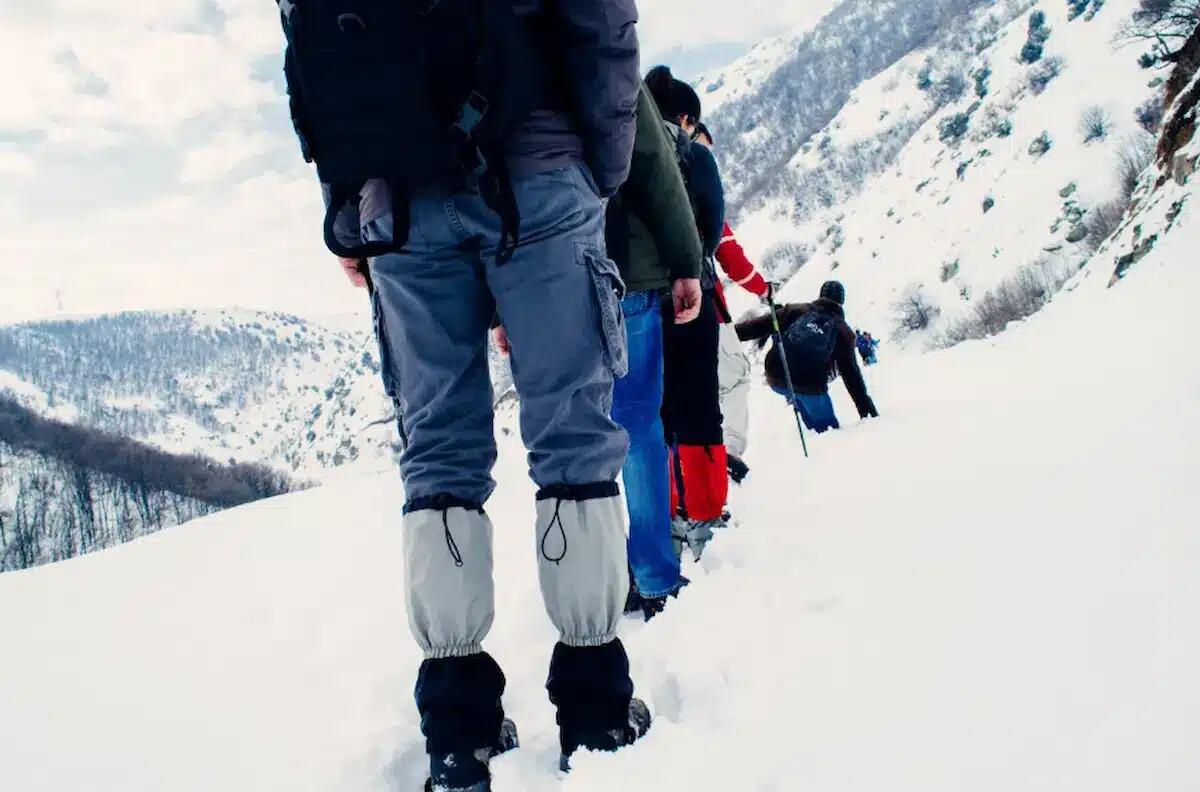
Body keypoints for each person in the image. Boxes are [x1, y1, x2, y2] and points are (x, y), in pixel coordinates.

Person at [277, 2, 649, 788]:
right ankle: (595, 709)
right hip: (541, 174)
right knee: (572, 436)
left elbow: (310, 55)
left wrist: (347, 203)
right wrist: (602, 174)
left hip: (398, 197)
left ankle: (459, 731)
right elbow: (602, 24)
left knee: (438, 449)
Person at [497, 82, 704, 621]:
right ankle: (654, 575)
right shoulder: (599, 50)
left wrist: (499, 306)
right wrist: (686, 260)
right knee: (637, 426)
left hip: (539, 285)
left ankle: (591, 589)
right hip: (624, 276)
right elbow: (655, 166)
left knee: (567, 436)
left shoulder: (482, 53)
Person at [644, 66, 727, 561]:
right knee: (699, 406)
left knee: (652, 412)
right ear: (683, 117)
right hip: (692, 295)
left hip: (636, 302)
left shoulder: (621, 150)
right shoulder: (694, 156)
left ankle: (661, 515)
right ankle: (703, 514)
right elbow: (712, 228)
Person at [693, 122, 769, 485]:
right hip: (704, 306)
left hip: (645, 308)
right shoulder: (694, 189)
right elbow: (729, 254)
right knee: (734, 379)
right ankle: (729, 452)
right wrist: (762, 288)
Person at [736, 281, 879, 433]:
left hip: (776, 376)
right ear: (841, 302)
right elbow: (851, 375)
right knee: (827, 432)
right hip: (811, 387)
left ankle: (797, 402)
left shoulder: (795, 309)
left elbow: (756, 326)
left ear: (821, 295)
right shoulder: (844, 331)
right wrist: (868, 412)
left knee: (798, 396)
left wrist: (723, 333)